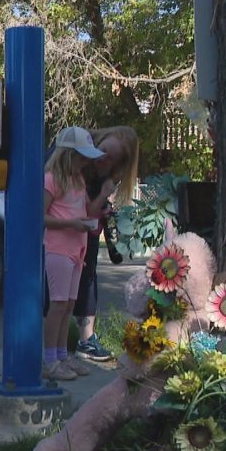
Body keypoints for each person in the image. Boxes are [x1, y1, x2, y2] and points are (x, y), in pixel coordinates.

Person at [42, 126, 107, 382]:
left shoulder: (77, 178)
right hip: (58, 248)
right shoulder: (51, 178)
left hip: (77, 247)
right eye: (80, 156)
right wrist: (73, 224)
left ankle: (61, 354)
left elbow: (83, 210)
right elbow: (42, 217)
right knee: (58, 305)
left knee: (68, 305)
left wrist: (100, 207)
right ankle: (50, 360)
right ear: (67, 154)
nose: (84, 161)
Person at [73, 126, 139, 361]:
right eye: (103, 151)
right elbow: (85, 210)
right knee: (63, 291)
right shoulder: (77, 161)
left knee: (88, 276)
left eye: (111, 159)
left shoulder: (104, 176)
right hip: (65, 232)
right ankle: (63, 346)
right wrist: (102, 197)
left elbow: (90, 212)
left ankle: (86, 338)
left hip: (85, 231)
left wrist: (103, 201)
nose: (103, 158)